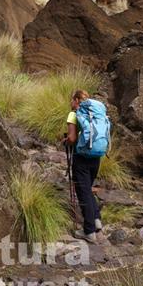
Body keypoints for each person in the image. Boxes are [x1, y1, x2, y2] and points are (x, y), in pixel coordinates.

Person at [64, 90, 106, 243]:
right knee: (88, 189)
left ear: (76, 100)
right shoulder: (96, 114)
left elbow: (72, 138)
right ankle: (96, 221)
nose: (71, 103)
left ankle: (89, 231)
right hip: (96, 157)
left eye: (71, 100)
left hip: (81, 158)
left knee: (83, 192)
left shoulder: (74, 114)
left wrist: (66, 141)